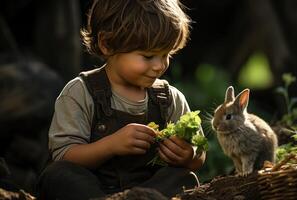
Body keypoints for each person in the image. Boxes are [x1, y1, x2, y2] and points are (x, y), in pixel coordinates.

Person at [37, 0, 206, 199]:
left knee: (184, 177)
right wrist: (111, 145)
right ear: (106, 44)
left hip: (148, 188)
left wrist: (190, 154)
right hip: (92, 189)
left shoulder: (169, 99)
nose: (160, 66)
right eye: (149, 56)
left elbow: (199, 154)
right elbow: (64, 154)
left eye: (166, 54)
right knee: (58, 175)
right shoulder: (81, 92)